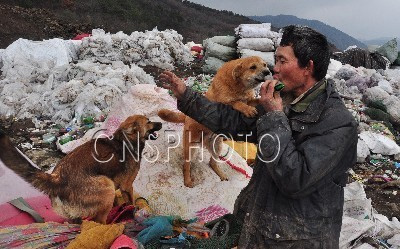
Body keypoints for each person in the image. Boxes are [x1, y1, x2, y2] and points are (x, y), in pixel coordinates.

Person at [160, 25, 358, 248]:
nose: (275, 69)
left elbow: (296, 179)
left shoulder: (338, 123)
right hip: (261, 231)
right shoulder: (284, 101)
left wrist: (274, 116)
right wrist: (188, 97)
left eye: (283, 61)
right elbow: (235, 123)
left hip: (296, 241)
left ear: (307, 67)